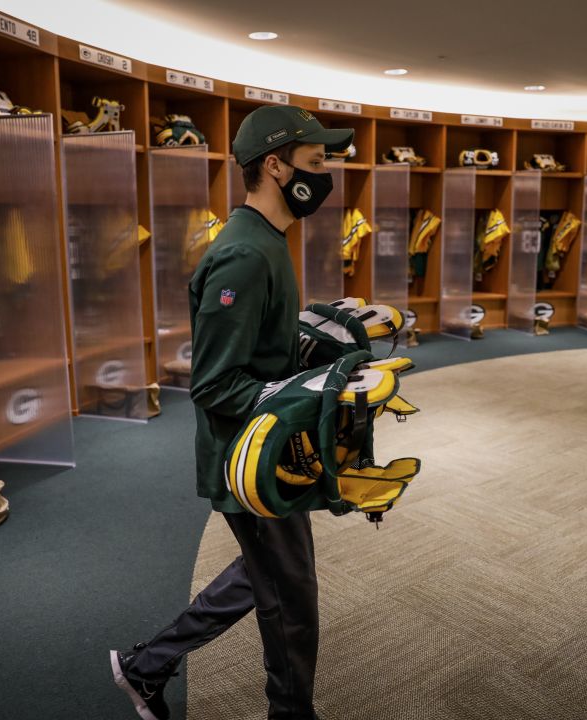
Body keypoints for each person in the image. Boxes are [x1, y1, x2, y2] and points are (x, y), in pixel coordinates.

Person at [109, 106, 353, 720]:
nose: (325, 177)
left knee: (270, 573)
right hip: (246, 456)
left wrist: (312, 343)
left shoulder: (269, 240)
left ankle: (148, 665)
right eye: (316, 163)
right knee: (290, 593)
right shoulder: (244, 255)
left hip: (266, 448)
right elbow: (216, 383)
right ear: (275, 165)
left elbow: (257, 352)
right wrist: (314, 393)